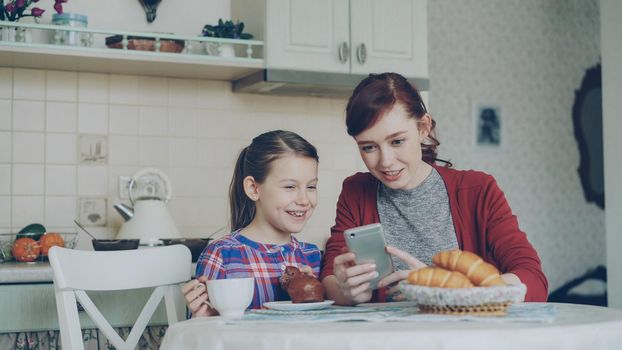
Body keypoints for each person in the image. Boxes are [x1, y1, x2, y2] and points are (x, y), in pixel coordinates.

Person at [320, 72, 548, 305]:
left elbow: (533, 281)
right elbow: (330, 280)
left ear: (423, 128)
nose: (386, 161)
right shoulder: (355, 191)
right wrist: (345, 290)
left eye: (397, 141)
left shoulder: (478, 190)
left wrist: (449, 287)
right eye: (369, 147)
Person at [182, 130, 322, 317]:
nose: (304, 200)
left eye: (311, 187)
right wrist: (202, 318)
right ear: (253, 188)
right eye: (290, 187)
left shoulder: (312, 256)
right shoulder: (222, 255)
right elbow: (203, 339)